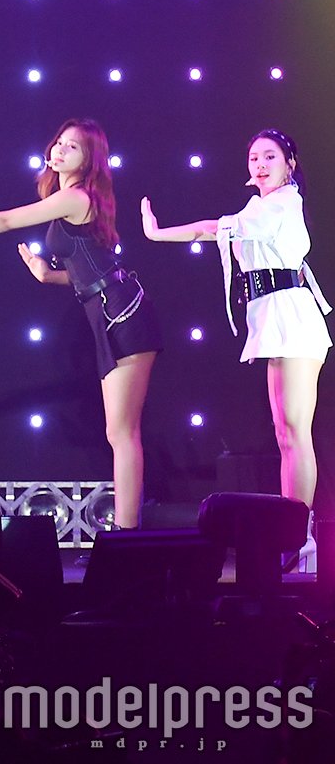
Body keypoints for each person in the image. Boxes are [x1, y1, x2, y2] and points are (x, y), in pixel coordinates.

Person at [0, 119, 160, 530]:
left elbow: (5, 220)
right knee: (117, 431)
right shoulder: (69, 198)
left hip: (123, 311)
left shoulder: (76, 197)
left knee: (121, 432)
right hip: (106, 308)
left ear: (90, 159)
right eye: (59, 142)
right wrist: (48, 275)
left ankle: (126, 534)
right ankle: (126, 532)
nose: (59, 150)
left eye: (72, 147)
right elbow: (91, 271)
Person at [143, 128, 329, 570]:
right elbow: (219, 230)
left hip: (293, 318)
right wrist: (158, 234)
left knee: (295, 432)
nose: (260, 164)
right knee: (285, 434)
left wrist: (161, 234)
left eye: (270, 156)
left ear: (289, 164)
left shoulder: (285, 202)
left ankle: (300, 535)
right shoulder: (257, 207)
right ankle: (292, 532)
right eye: (253, 158)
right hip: (273, 317)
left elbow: (216, 228)